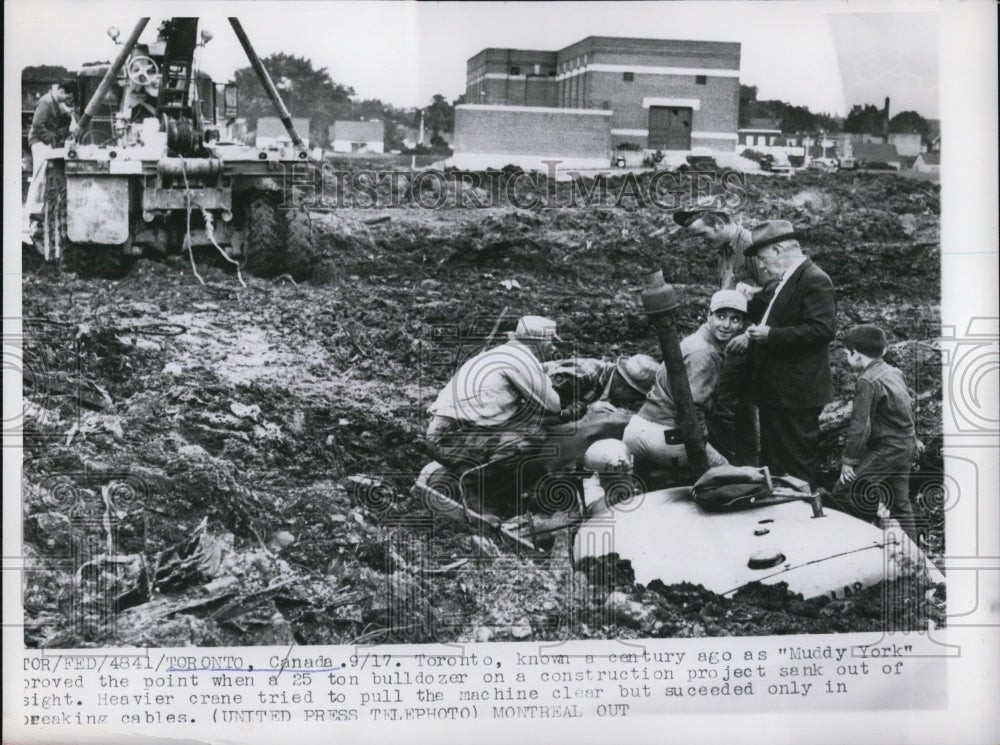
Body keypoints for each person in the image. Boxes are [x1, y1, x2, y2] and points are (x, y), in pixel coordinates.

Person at [737, 219, 837, 487]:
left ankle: (803, 513)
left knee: (796, 461)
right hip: (779, 391)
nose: (760, 264)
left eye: (762, 257)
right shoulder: (787, 279)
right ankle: (782, 511)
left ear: (779, 250)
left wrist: (771, 335)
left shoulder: (814, 279)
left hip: (798, 394)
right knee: (777, 458)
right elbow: (776, 309)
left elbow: (822, 330)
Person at [623, 289, 748, 475]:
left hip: (637, 428)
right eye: (721, 316)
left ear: (741, 325)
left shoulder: (694, 340)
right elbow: (693, 410)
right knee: (730, 475)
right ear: (709, 316)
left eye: (735, 319)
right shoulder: (706, 354)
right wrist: (702, 449)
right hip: (663, 435)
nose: (727, 325)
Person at [425, 315, 569, 472]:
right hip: (455, 434)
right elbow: (553, 405)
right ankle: (486, 483)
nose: (552, 347)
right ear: (542, 342)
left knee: (521, 417)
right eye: (550, 342)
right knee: (534, 433)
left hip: (441, 429)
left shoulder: (499, 353)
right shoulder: (520, 359)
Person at [827, 325, 923, 541]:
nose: (846, 358)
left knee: (845, 490)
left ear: (855, 354)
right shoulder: (894, 372)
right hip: (905, 446)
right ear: (884, 350)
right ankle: (915, 555)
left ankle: (849, 543)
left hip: (888, 449)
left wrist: (848, 461)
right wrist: (914, 438)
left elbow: (860, 427)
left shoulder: (867, 381)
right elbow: (907, 407)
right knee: (900, 503)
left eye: (846, 354)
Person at [23, 80, 78, 241]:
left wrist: (69, 112)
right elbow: (37, 124)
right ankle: (33, 214)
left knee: (44, 177)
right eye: (67, 96)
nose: (67, 100)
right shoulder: (46, 102)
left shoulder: (54, 101)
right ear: (60, 91)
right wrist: (51, 140)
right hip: (39, 143)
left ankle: (37, 215)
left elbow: (61, 113)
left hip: (45, 142)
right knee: (40, 176)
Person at [672, 208, 765, 293]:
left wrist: (753, 293)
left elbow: (774, 291)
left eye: (703, 234)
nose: (701, 241)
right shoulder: (723, 250)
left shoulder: (751, 246)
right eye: (697, 236)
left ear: (720, 224)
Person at [543, 353, 659, 412]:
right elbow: (544, 410)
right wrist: (588, 410)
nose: (635, 402)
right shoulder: (582, 375)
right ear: (625, 387)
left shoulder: (611, 384)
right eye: (636, 396)